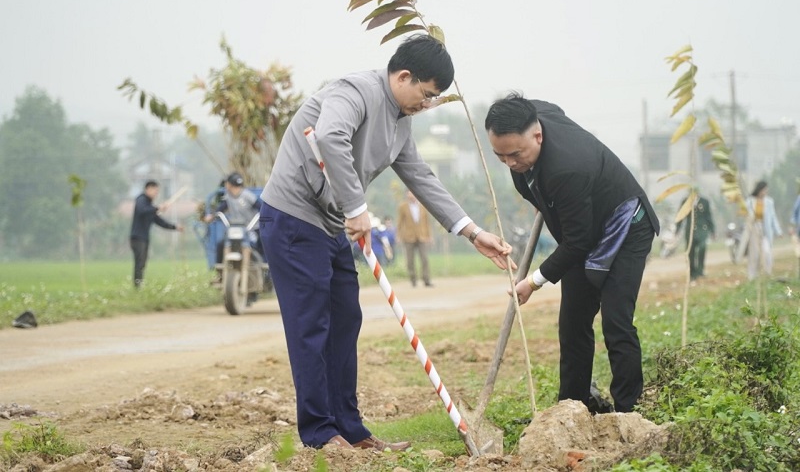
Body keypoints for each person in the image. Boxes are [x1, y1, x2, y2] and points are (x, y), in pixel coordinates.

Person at [258, 34, 513, 451]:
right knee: (312, 325)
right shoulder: (354, 91)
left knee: (346, 319)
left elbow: (420, 176)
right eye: (426, 95)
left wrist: (471, 231)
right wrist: (357, 207)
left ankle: (350, 430)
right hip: (293, 219)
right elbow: (329, 136)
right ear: (404, 76)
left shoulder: (400, 121)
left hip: (332, 224)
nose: (426, 105)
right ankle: (320, 433)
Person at [484, 94, 659, 414]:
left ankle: (628, 412)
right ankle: (573, 407)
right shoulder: (534, 116)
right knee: (573, 322)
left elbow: (578, 243)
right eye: (500, 155)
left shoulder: (568, 169)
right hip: (582, 226)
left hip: (625, 226)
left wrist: (533, 281)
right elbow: (553, 109)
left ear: (538, 135)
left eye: (515, 154)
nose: (509, 163)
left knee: (616, 322)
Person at [129, 180, 183, 288]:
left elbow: (159, 221)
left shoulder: (150, 206)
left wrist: (175, 227)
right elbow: (142, 210)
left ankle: (139, 285)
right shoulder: (141, 200)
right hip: (137, 238)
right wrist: (158, 208)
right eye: (155, 191)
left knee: (142, 263)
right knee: (139, 263)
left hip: (144, 238)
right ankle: (137, 287)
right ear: (148, 189)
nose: (156, 193)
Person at [204, 172, 260, 270]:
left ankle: (266, 269)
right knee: (221, 244)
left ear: (230, 184)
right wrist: (212, 216)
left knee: (262, 243)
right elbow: (221, 208)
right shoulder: (228, 196)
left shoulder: (247, 196)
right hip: (236, 229)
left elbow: (261, 207)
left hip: (251, 229)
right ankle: (221, 271)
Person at [743, 180, 782, 280]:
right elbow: (745, 214)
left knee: (767, 252)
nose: (765, 192)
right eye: (764, 190)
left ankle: (767, 274)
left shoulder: (769, 202)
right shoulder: (750, 201)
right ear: (759, 190)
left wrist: (778, 231)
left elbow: (773, 217)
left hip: (765, 229)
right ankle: (752, 276)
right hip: (754, 229)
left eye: (766, 190)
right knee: (754, 254)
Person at [396, 191, 433, 287]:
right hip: (408, 237)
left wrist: (429, 236)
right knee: (410, 260)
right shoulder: (403, 206)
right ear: (407, 195)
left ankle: (426, 279)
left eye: (412, 193)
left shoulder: (423, 206)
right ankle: (413, 280)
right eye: (409, 193)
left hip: (422, 236)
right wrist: (398, 236)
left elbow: (427, 222)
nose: (411, 195)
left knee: (424, 258)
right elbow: (400, 222)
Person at [676, 194, 715, 280]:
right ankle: (692, 273)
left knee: (702, 247)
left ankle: (700, 270)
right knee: (691, 252)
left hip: (702, 230)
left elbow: (708, 216)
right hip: (690, 231)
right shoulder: (686, 201)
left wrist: (712, 230)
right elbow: (681, 215)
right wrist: (677, 229)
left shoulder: (704, 201)